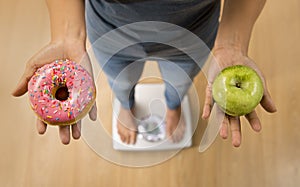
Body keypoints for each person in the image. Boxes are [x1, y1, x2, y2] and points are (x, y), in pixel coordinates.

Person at [12, 0, 276, 147]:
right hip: (110, 30)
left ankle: (173, 106)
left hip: (192, 31)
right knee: (121, 80)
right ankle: (125, 105)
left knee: (179, 80)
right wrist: (67, 34)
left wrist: (232, 41)